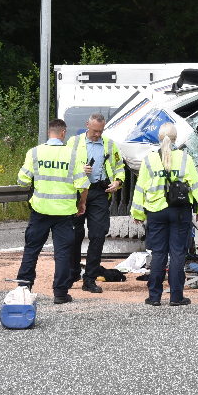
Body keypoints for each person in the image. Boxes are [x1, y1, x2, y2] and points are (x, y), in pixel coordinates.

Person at [131, 122, 198, 307]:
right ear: (175, 139)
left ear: (158, 138)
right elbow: (196, 187)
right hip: (179, 211)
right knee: (178, 253)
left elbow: (140, 188)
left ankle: (154, 297)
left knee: (158, 254)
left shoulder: (149, 160)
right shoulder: (184, 159)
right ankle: (176, 297)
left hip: (156, 212)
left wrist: (137, 212)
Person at [16, 119, 90, 304]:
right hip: (64, 213)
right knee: (63, 253)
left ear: (50, 132)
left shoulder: (34, 152)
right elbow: (82, 184)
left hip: (40, 210)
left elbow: (22, 180)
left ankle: (24, 288)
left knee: (32, 250)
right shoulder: (72, 155)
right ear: (63, 133)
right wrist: (82, 203)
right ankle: (60, 293)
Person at [67, 113, 126, 293]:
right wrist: (80, 169)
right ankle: (72, 271)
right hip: (77, 192)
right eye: (94, 131)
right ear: (87, 125)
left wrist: (117, 182)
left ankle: (90, 278)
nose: (97, 135)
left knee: (98, 235)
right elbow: (65, 166)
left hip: (100, 192)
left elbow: (119, 167)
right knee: (74, 235)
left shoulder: (109, 144)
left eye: (100, 131)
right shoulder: (73, 142)